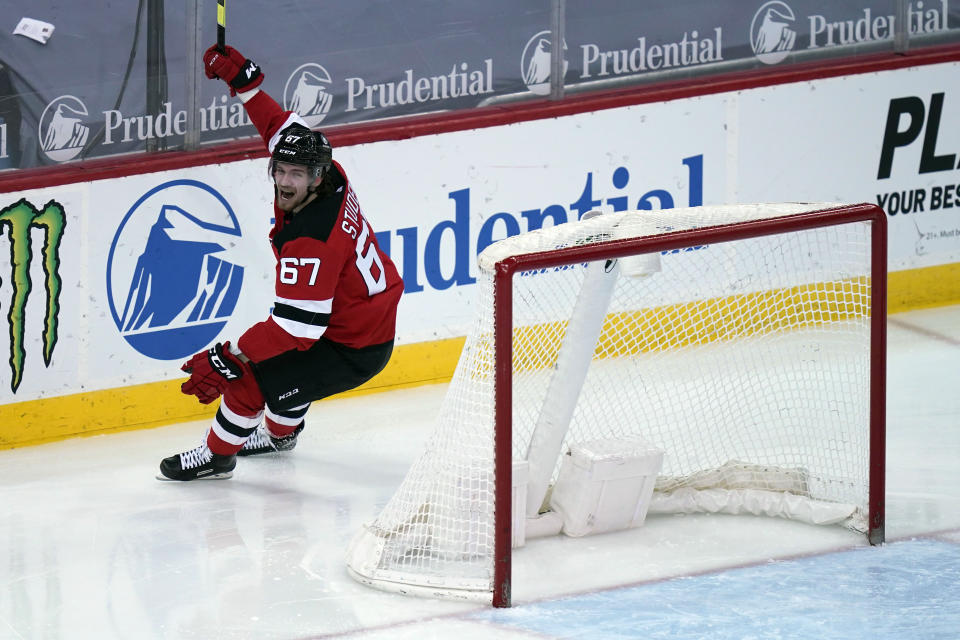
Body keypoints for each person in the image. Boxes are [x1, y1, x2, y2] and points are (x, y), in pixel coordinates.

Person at [158, 44, 403, 481]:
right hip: (357, 323)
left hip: (351, 347)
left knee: (249, 377)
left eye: (296, 175)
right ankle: (280, 436)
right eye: (280, 170)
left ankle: (217, 456)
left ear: (316, 177)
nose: (285, 183)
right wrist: (246, 86)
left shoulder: (312, 240)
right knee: (285, 364)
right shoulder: (331, 174)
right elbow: (279, 128)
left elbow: (298, 328)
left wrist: (224, 355)